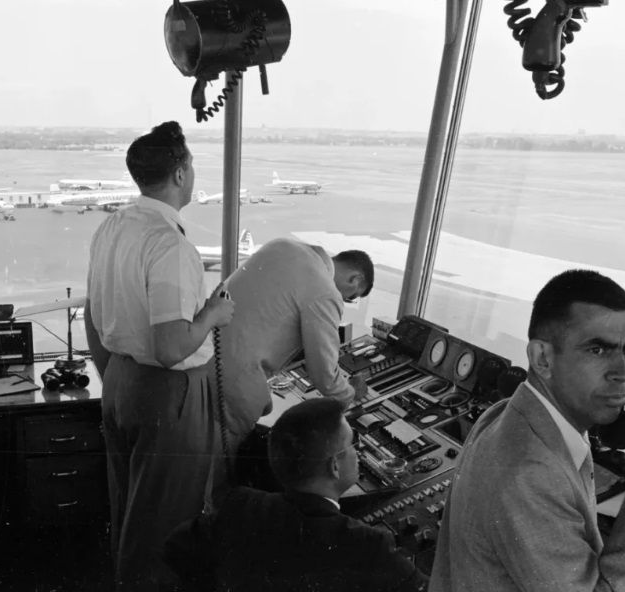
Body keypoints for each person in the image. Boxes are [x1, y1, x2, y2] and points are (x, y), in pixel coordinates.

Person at [430, 269, 625, 592]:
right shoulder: (530, 474)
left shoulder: (506, 412)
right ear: (542, 358)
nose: (624, 374)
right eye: (597, 350)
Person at [83, 121, 235, 592]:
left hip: (121, 381)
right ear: (181, 173)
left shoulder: (111, 227)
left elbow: (91, 313)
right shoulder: (170, 244)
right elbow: (171, 349)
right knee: (166, 526)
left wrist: (117, 375)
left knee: (129, 509)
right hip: (168, 395)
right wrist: (212, 315)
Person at [165, 397, 427, 592]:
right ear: (334, 466)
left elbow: (175, 548)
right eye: (352, 444)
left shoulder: (240, 505)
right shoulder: (368, 545)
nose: (357, 453)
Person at [215, 237, 373, 455]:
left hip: (205, 357)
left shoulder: (282, 245)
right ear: (355, 279)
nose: (345, 300)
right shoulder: (325, 291)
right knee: (220, 461)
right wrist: (351, 393)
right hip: (232, 385)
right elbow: (325, 376)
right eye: (351, 297)